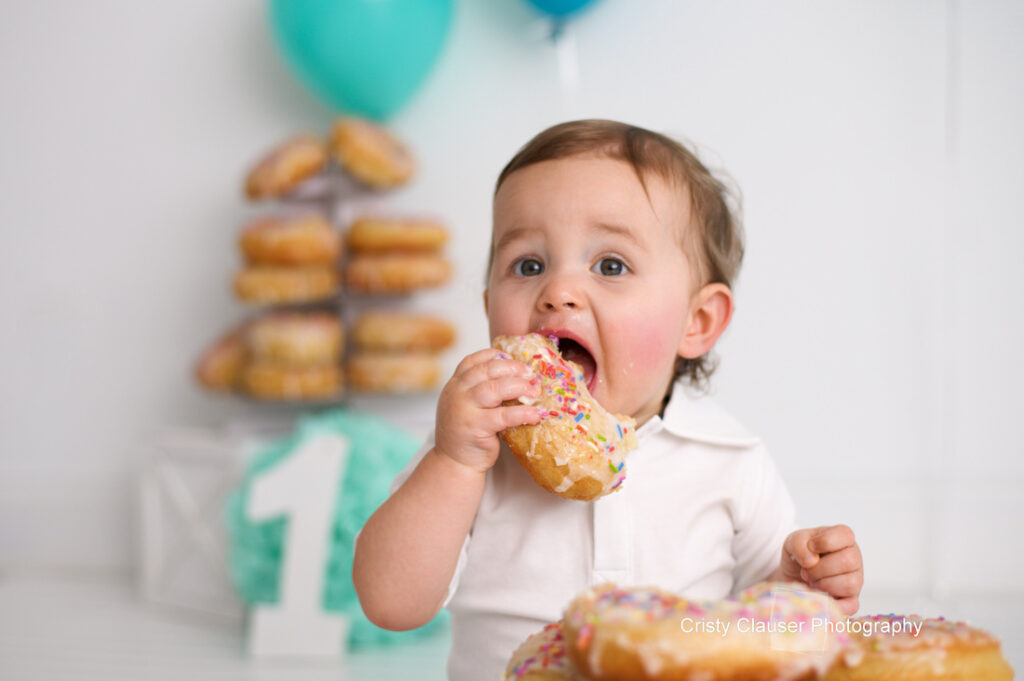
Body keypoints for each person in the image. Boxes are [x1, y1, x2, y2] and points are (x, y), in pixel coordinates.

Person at [352, 120, 864, 681]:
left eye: (610, 266)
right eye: (528, 265)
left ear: (696, 322)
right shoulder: (472, 451)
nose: (558, 292)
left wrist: (792, 588)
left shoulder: (731, 460)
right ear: (487, 307)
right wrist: (453, 463)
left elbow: (753, 635)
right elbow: (390, 604)